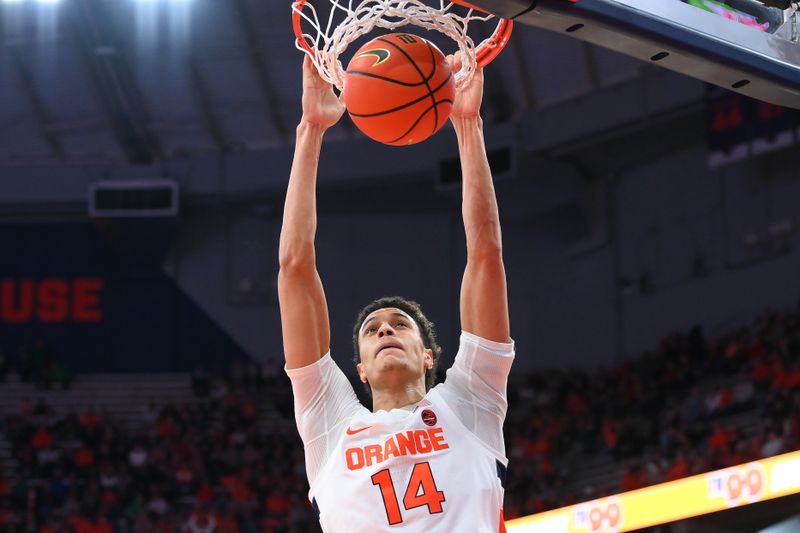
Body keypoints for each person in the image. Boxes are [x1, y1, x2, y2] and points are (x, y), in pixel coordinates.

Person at [279, 55, 514, 532]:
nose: (385, 327)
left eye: (399, 324)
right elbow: (294, 268)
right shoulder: (331, 423)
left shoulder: (468, 401)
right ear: (360, 369)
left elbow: (485, 252)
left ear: (429, 356)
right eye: (372, 329)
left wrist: (468, 126)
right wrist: (311, 128)